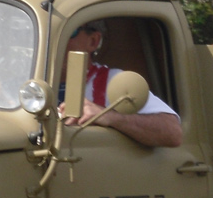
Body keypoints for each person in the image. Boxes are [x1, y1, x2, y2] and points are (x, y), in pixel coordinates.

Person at [59, 20, 182, 148]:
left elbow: (173, 132)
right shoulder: (37, 78)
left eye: (68, 31)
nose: (56, 41)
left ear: (93, 41)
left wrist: (109, 116)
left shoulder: (112, 80)